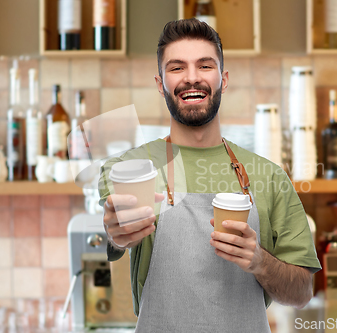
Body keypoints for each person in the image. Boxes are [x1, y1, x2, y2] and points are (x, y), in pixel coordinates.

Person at [98, 18, 321, 332]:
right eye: (176, 68)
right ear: (160, 83)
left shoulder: (269, 177)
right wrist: (115, 236)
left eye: (205, 66)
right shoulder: (131, 168)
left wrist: (259, 261)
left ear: (223, 79)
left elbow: (301, 292)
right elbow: (112, 231)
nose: (192, 78)